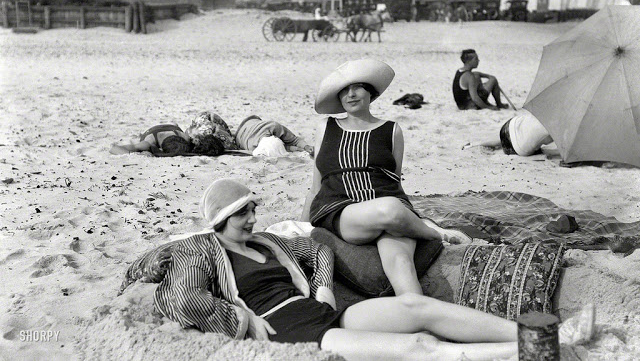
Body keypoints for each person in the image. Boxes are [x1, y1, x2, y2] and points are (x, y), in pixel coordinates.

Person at [155, 178, 549, 360]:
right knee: (419, 347)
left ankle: (540, 337)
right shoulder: (201, 250)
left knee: (416, 306)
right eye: (244, 213)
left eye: (254, 209)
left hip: (317, 311)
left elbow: (316, 251)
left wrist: (323, 288)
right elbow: (180, 298)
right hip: (286, 332)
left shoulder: (267, 241)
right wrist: (241, 321)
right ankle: (527, 352)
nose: (254, 219)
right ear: (221, 218)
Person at [301, 59, 472, 297]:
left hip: (389, 206)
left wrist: (402, 209)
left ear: (371, 93)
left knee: (402, 267)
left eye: (358, 87)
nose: (351, 94)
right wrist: (301, 227)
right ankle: (434, 233)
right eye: (344, 90)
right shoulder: (326, 127)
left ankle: (418, 314)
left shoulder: (391, 130)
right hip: (344, 210)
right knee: (390, 209)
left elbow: (394, 182)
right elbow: (315, 186)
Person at [462, 109, 554, 157]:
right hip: (517, 148)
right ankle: (476, 144)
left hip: (510, 125)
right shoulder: (558, 128)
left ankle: (475, 144)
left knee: (517, 135)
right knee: (519, 140)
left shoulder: (550, 105)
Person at [235, 115, 314, 156]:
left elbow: (294, 140)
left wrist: (306, 147)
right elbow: (294, 140)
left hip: (246, 127)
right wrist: (304, 147)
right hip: (244, 130)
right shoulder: (253, 148)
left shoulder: (273, 126)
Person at [109, 124, 193, 157]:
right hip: (152, 131)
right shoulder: (149, 142)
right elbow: (113, 148)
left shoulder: (185, 138)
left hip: (172, 126)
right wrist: (137, 155)